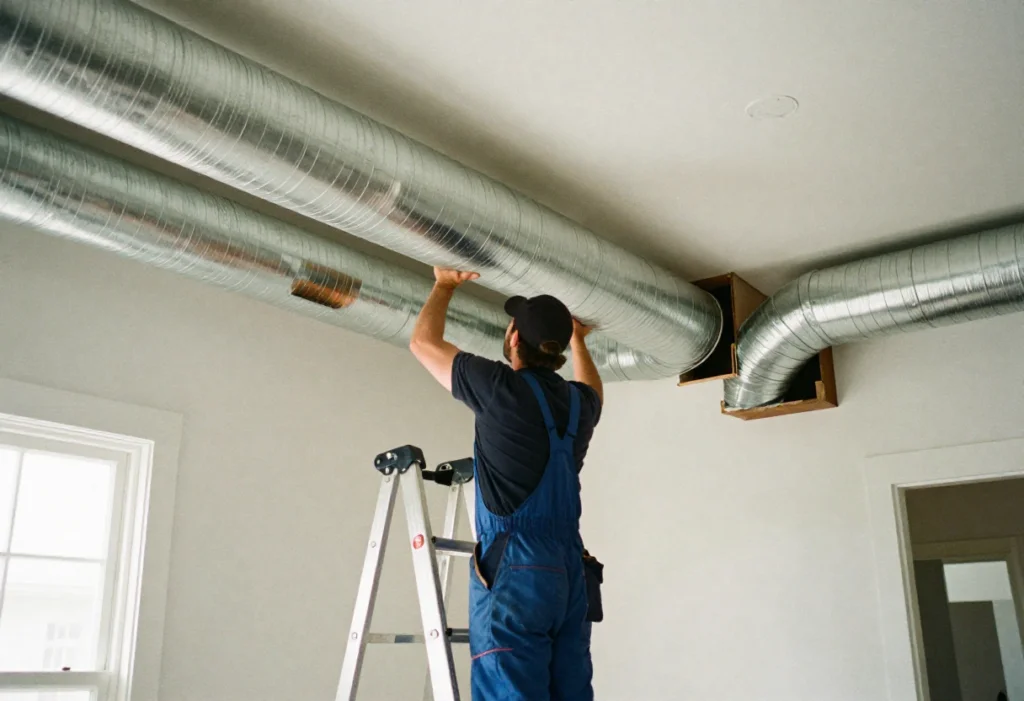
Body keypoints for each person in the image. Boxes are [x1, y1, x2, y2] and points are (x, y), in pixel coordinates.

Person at [409, 267, 603, 701]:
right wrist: (581, 342)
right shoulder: (579, 406)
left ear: (514, 339)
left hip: (517, 569)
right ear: (557, 354)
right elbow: (593, 388)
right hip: (570, 571)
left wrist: (445, 284)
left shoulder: (500, 388)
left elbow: (423, 343)